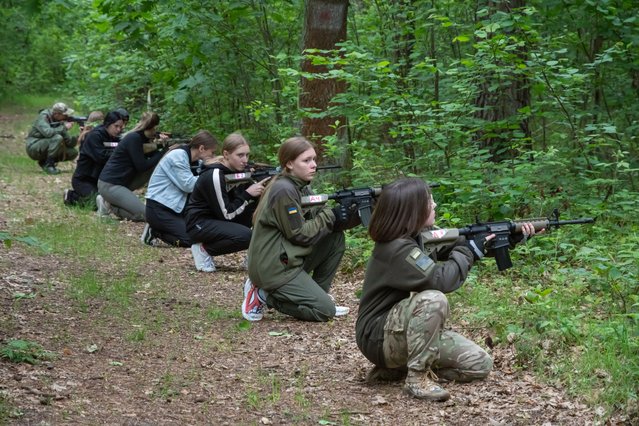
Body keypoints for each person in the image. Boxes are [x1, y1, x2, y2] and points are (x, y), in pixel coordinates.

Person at [355, 178, 539, 402]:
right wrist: (470, 250)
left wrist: (506, 239)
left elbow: (460, 245)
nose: (434, 205)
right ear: (412, 210)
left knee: (479, 364)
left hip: (402, 331)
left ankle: (397, 370)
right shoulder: (397, 249)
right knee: (433, 299)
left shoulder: (415, 237)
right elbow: (441, 280)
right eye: (429, 201)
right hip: (377, 338)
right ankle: (416, 379)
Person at [241, 136, 359, 322]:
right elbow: (300, 234)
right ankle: (264, 295)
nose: (314, 165)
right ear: (289, 164)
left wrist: (353, 211)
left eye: (314, 159)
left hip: (285, 258)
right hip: (274, 267)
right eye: (306, 160)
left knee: (335, 238)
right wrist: (332, 215)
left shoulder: (299, 185)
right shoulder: (284, 190)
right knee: (324, 311)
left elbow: (325, 216)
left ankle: (317, 295)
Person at [184, 132, 267, 272]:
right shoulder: (215, 174)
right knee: (246, 236)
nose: (245, 160)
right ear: (226, 154)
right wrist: (248, 193)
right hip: (199, 222)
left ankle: (253, 257)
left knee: (259, 208)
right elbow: (226, 213)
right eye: (240, 155)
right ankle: (203, 249)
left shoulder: (237, 171)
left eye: (247, 155)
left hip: (216, 218)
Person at [141, 130, 219, 248]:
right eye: (212, 152)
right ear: (202, 148)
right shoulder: (178, 156)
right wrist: (211, 175)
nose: (212, 156)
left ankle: (160, 228)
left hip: (176, 208)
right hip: (159, 208)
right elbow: (189, 186)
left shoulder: (196, 161)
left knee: (198, 235)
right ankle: (154, 231)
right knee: (189, 240)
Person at [97, 111, 164, 221]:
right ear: (152, 128)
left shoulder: (142, 138)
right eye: (155, 128)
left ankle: (110, 204)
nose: (156, 131)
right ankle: (109, 206)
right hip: (110, 185)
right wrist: (163, 152)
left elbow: (152, 159)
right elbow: (141, 166)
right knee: (148, 216)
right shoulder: (134, 138)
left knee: (155, 166)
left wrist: (161, 146)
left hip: (123, 182)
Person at [64, 111, 124, 206]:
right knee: (98, 204)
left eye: (120, 127)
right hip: (83, 180)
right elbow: (101, 157)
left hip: (99, 181)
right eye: (116, 126)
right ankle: (71, 196)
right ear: (108, 124)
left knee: (112, 203)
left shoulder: (113, 136)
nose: (118, 130)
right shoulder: (95, 135)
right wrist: (121, 152)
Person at [25, 102, 79, 174]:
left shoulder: (59, 121)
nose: (67, 116)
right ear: (57, 114)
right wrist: (64, 127)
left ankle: (44, 162)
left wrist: (80, 135)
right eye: (65, 115)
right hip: (33, 147)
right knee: (57, 138)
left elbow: (69, 143)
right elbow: (48, 133)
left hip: (46, 145)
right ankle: (49, 165)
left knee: (73, 152)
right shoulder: (43, 117)